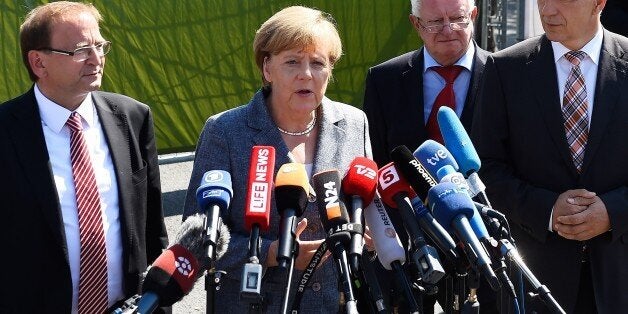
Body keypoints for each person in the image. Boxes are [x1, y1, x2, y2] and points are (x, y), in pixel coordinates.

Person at [182, 6, 372, 313]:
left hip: (337, 302)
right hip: (258, 303)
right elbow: (196, 235)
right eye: (292, 61)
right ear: (267, 68)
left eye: (318, 63)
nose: (306, 74)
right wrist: (270, 252)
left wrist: (369, 238)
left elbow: (365, 207)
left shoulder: (353, 123)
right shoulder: (226, 131)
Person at [0, 2, 168, 313]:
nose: (96, 59)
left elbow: (151, 229)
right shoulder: (6, 130)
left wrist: (157, 303)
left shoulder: (133, 117)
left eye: (100, 45)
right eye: (80, 50)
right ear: (38, 62)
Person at [472, 0, 628, 313]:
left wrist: (614, 211)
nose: (547, 11)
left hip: (619, 279)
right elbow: (484, 169)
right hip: (534, 282)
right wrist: (546, 210)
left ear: (599, 3)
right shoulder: (506, 69)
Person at [362, 1, 494, 313]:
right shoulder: (384, 80)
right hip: (410, 244)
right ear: (416, 24)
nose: (448, 29)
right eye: (435, 22)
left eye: (458, 18)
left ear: (473, 16)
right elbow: (375, 161)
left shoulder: (505, 75)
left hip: (482, 239)